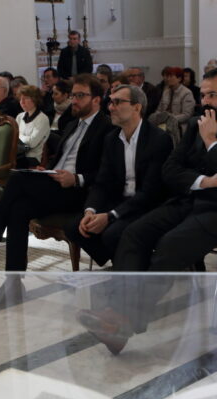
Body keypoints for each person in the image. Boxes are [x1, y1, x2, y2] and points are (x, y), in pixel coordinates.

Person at [78, 68, 217, 354]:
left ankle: (125, 322)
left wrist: (211, 142)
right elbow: (171, 170)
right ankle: (116, 314)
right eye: (203, 94)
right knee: (135, 233)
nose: (205, 101)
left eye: (213, 95)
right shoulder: (195, 124)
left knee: (170, 246)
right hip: (190, 201)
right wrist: (204, 180)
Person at [0, 74, 113, 274]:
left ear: (96, 99)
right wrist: (46, 167)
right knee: (18, 209)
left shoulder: (107, 128)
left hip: (79, 191)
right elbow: (61, 157)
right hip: (55, 183)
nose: (74, 100)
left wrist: (77, 178)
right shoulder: (72, 125)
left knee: (16, 179)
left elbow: (107, 174)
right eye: (73, 95)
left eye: (80, 96)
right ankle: (14, 277)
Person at [64, 84, 173, 267]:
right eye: (110, 102)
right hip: (120, 201)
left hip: (148, 205)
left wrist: (110, 216)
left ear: (137, 107)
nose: (110, 107)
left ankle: (128, 267)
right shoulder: (112, 138)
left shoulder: (158, 139)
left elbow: (151, 192)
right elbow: (102, 182)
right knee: (75, 227)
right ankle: (125, 264)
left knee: (112, 233)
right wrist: (90, 211)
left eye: (117, 102)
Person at [15, 85, 50, 168]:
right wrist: (23, 138)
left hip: (33, 158)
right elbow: (13, 137)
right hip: (19, 154)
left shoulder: (42, 118)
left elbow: (32, 143)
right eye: (20, 99)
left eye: (26, 98)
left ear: (35, 99)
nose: (22, 102)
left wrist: (18, 137)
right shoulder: (20, 116)